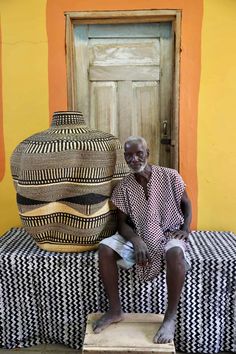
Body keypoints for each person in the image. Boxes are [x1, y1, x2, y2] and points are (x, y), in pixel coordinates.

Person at [93, 136, 192, 344]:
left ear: (147, 154)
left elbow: (186, 204)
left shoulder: (170, 176)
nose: (134, 159)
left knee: (175, 253)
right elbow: (121, 224)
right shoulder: (124, 187)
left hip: (169, 231)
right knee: (105, 248)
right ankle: (115, 310)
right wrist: (136, 240)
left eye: (139, 153)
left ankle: (170, 317)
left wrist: (185, 229)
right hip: (136, 232)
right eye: (128, 155)